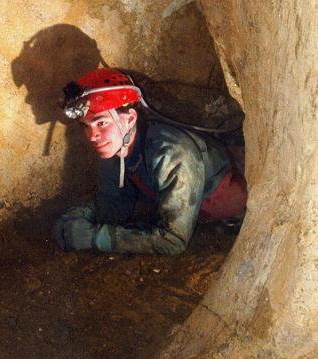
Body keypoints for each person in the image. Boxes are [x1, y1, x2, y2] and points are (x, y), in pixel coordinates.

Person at [53, 68, 247, 255]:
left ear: (130, 119)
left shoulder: (172, 154)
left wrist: (94, 238)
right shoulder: (115, 149)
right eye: (86, 126)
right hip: (195, 213)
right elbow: (114, 205)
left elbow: (173, 240)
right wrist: (80, 216)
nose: (92, 136)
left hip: (231, 208)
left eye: (101, 123)